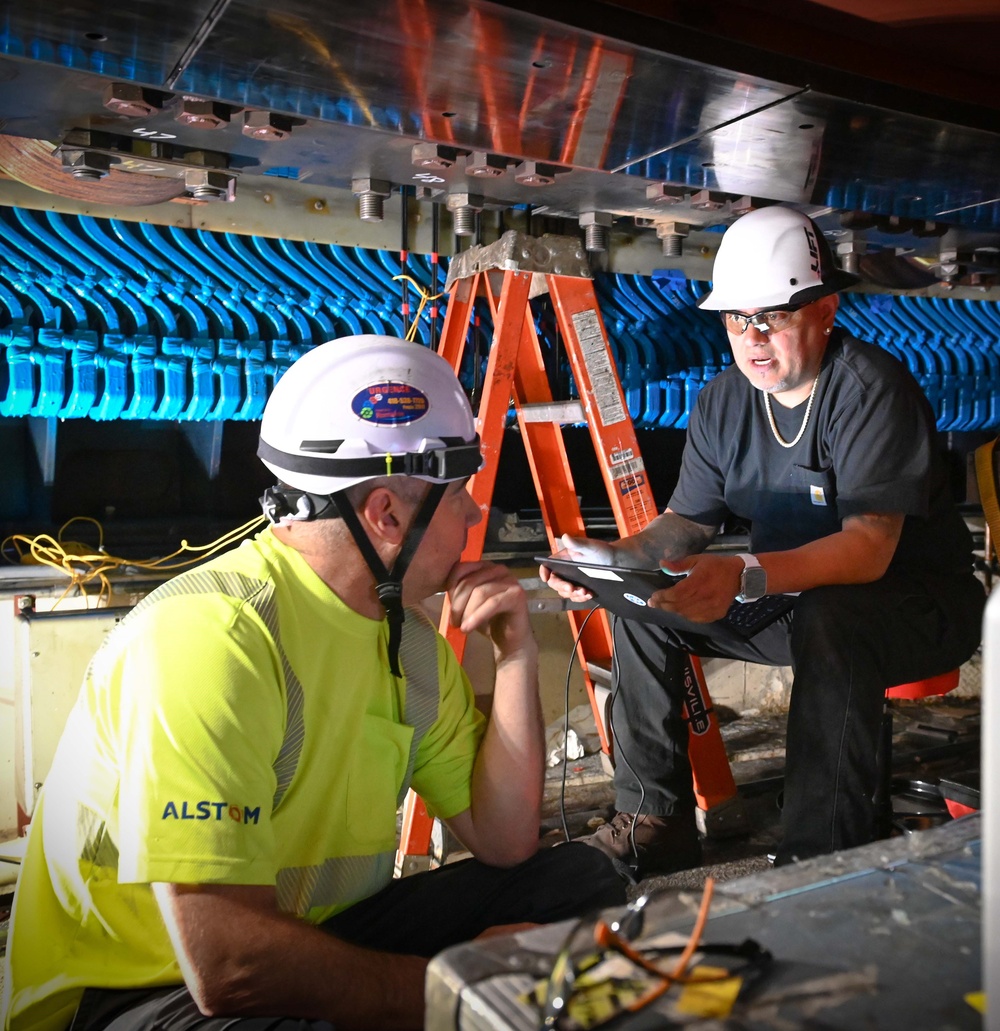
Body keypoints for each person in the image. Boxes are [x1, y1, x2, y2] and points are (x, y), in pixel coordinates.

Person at [3, 336, 624, 1031]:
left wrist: (513, 656)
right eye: (461, 497)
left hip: (313, 931)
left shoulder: (406, 638)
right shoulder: (214, 638)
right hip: (138, 992)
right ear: (387, 513)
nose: (476, 516)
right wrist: (450, 990)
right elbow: (227, 964)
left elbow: (505, 840)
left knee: (577, 881)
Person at [541, 205, 985, 879]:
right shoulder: (723, 402)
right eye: (735, 319)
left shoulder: (869, 390)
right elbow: (686, 523)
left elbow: (867, 549)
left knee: (830, 615)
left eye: (771, 316)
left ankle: (819, 847)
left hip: (917, 606)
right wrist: (613, 560)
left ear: (826, 309)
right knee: (645, 612)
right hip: (797, 600)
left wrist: (746, 573)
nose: (751, 337)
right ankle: (654, 824)